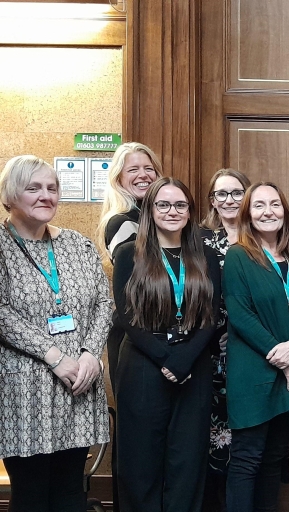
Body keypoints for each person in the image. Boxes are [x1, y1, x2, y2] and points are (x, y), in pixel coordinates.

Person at [0, 155, 111, 512]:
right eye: (33, 188)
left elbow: (104, 303)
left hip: (78, 387)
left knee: (70, 493)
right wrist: (55, 357)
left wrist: (91, 353)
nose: (45, 195)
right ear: (10, 196)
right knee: (31, 495)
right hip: (24, 391)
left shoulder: (78, 245)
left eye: (52, 187)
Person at [112, 177, 220, 512]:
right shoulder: (130, 254)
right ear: (150, 209)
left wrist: (184, 359)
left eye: (180, 205)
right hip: (144, 364)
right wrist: (165, 358)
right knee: (140, 464)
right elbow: (126, 315)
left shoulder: (206, 255)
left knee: (186, 463)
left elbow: (211, 315)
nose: (172, 211)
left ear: (190, 211)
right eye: (163, 204)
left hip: (193, 364)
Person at [223, 181, 289, 512]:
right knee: (247, 458)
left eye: (275, 204)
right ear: (248, 214)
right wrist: (282, 356)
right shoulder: (238, 256)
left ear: (285, 211)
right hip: (254, 372)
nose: (268, 211)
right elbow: (240, 314)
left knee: (275, 457)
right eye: (259, 205)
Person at [95, 142, 162, 511]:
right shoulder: (123, 222)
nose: (142, 175)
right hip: (134, 337)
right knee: (137, 438)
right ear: (118, 178)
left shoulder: (153, 215)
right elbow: (145, 285)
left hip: (152, 336)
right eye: (132, 169)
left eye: (148, 168)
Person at [200, 168, 252, 511]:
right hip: (209, 352)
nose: (230, 200)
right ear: (212, 200)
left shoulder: (262, 237)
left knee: (251, 441)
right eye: (222, 193)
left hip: (254, 351)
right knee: (210, 438)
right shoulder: (199, 240)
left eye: (237, 192)